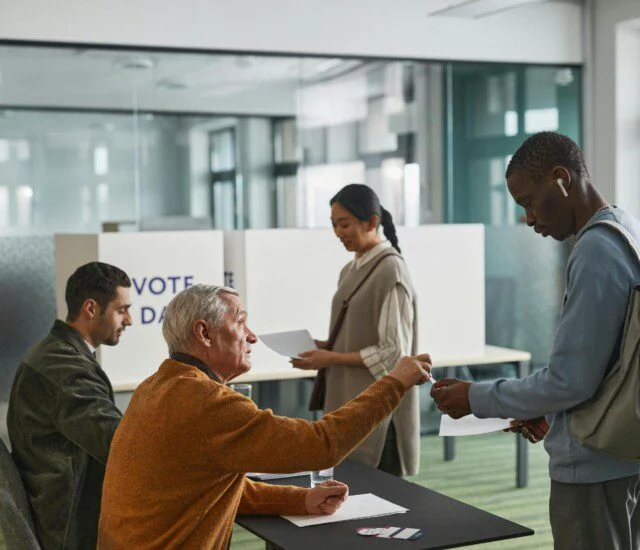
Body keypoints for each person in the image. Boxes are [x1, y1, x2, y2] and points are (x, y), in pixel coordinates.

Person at [98, 284, 431, 549]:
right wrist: (394, 383)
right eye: (240, 322)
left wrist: (301, 499)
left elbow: (209, 486)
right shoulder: (207, 402)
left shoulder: (154, 387)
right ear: (204, 333)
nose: (252, 335)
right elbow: (321, 446)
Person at [431, 132, 640, 549]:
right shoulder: (625, 229)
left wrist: (475, 398)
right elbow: (609, 365)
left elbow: (569, 380)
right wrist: (557, 415)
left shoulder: (596, 250)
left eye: (529, 201)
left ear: (561, 178)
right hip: (620, 452)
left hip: (592, 469)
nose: (529, 219)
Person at [292, 183, 419, 477]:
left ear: (372, 222)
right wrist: (323, 347)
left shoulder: (391, 270)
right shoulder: (350, 270)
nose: (338, 233)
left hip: (378, 412)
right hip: (350, 405)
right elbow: (356, 336)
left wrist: (330, 359)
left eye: (344, 224)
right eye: (334, 225)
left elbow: (393, 355)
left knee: (382, 503)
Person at [7, 261, 132, 550]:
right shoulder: (63, 368)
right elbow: (119, 443)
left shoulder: (55, 353)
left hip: (60, 514)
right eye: (121, 309)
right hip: (70, 530)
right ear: (91, 308)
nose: (129, 320)